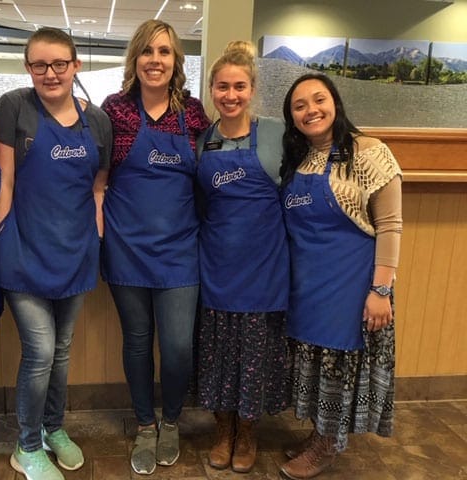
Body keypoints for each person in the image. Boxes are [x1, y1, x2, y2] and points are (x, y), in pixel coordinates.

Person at [0, 27, 111, 480]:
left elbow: (97, 188)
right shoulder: (14, 107)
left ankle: (53, 428)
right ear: (28, 68)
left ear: (76, 65)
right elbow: (4, 179)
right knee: (40, 351)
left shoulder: (98, 121)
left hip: (76, 252)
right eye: (39, 64)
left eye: (60, 63)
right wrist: (1, 235)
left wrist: (95, 239)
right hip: (24, 250)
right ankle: (26, 446)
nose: (50, 73)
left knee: (61, 350)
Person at [100, 19, 210, 476]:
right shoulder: (114, 110)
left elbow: (209, 177)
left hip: (181, 249)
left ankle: (172, 420)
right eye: (147, 51)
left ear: (175, 61)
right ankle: (146, 424)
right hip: (125, 246)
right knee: (138, 341)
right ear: (135, 58)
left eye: (164, 52)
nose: (155, 60)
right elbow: (97, 176)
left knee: (179, 346)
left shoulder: (194, 113)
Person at [279, 73, 402, 480]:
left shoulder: (370, 153)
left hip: (351, 284)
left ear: (335, 102)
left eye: (319, 100)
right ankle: (319, 433)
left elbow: (390, 225)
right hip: (308, 283)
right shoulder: (299, 158)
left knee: (339, 364)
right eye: (299, 106)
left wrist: (381, 289)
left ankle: (328, 445)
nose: (311, 110)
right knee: (315, 362)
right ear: (292, 117)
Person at [195, 41, 289, 474]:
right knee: (218, 354)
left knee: (254, 357)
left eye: (239, 87)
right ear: (211, 90)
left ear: (252, 90)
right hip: (217, 263)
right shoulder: (203, 141)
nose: (230, 95)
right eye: (222, 87)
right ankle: (223, 431)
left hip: (265, 265)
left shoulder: (276, 133)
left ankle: (248, 433)